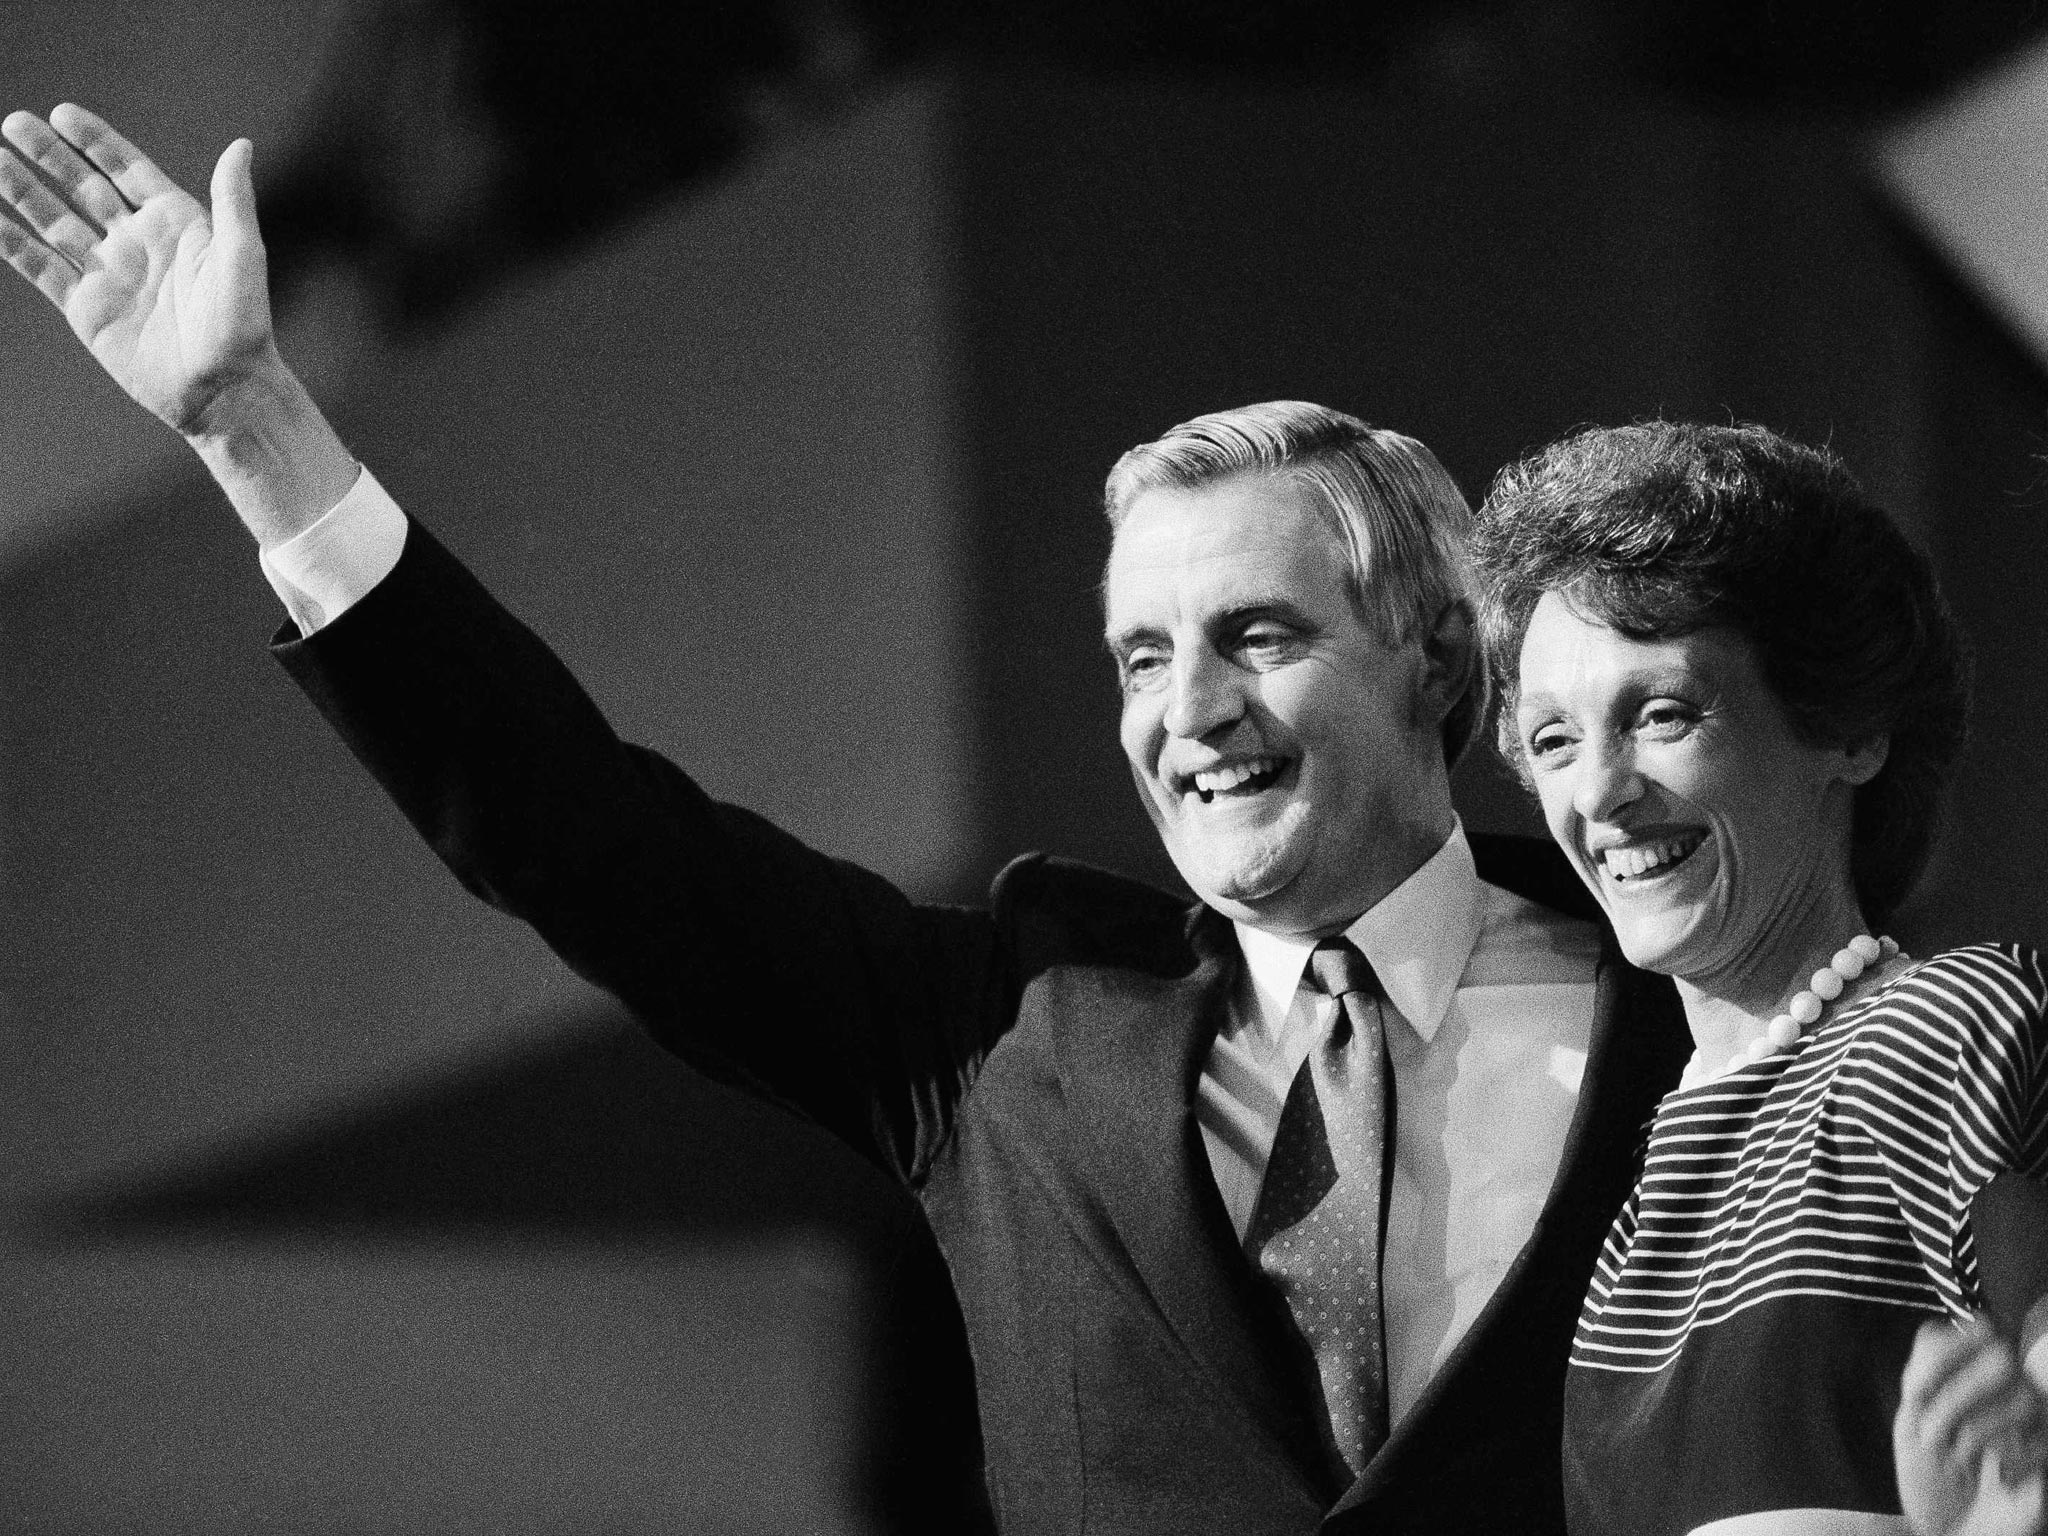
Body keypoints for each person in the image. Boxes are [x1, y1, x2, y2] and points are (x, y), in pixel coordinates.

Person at [0, 105, 1693, 1534]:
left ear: (1433, 658)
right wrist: (255, 426)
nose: (1190, 713)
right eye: (1140, 657)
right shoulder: (998, 1042)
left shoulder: (1702, 1022)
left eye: (1258, 635)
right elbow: (581, 833)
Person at [1469, 419, 2048, 1536]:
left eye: (1662, 714)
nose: (1597, 793)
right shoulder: (1640, 1174)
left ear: (1847, 731)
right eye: (1550, 739)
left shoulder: (1941, 1031)